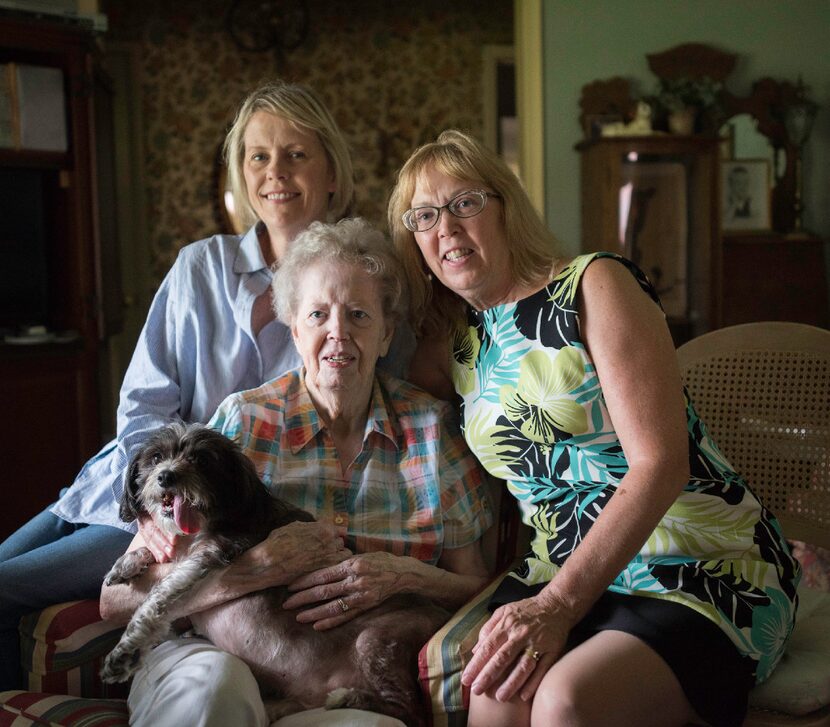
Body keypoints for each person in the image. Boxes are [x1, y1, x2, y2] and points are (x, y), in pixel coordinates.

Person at [387, 129, 801, 727]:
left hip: (691, 557)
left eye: (465, 202)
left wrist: (557, 606)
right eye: (423, 216)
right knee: (493, 700)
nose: (445, 226)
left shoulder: (593, 285)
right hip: (561, 565)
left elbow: (661, 465)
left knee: (566, 702)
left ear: (506, 207)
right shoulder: (457, 343)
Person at [0, 80, 403, 691]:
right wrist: (147, 504)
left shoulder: (355, 282)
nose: (275, 172)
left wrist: (172, 517)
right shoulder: (200, 266)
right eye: (258, 156)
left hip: (204, 519)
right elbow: (143, 403)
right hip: (124, 485)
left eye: (296, 154)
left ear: (331, 174)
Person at [99, 217, 493, 727]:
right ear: (294, 326)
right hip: (211, 652)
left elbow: (479, 585)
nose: (338, 334)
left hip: (337, 680)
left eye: (358, 315)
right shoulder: (239, 424)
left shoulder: (431, 431)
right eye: (318, 314)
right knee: (212, 694)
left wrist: (404, 576)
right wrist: (258, 569)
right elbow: (115, 599)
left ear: (386, 332)